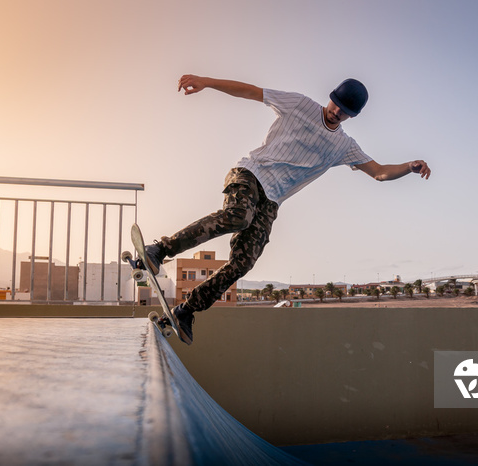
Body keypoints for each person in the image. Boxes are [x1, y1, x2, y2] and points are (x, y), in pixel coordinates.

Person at [145, 74, 431, 345]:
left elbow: (379, 172)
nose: (335, 113)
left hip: (272, 200)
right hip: (250, 174)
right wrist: (207, 82)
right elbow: (252, 92)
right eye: (335, 106)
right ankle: (160, 250)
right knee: (238, 216)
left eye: (344, 112)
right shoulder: (300, 105)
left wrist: (409, 167)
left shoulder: (344, 146)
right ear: (330, 97)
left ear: (352, 117)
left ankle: (186, 311)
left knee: (244, 262)